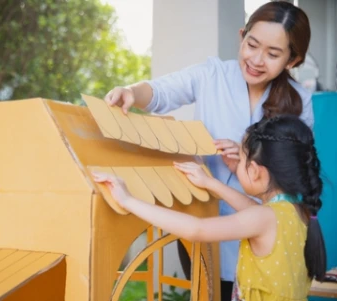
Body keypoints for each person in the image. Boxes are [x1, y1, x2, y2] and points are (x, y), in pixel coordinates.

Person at [104, 2, 313, 299]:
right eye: (252, 45)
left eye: (273, 53)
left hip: (261, 232)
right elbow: (161, 91)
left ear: (293, 60)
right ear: (242, 36)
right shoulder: (212, 74)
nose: (256, 59)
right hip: (204, 213)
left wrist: (243, 157)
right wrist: (131, 92)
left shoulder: (300, 101)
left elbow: (294, 171)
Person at [93, 115, 327, 301]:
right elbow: (251, 209)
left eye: (242, 161)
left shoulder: (264, 217)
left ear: (256, 171)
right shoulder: (298, 212)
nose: (238, 165)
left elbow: (197, 230)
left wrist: (129, 201)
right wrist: (211, 183)